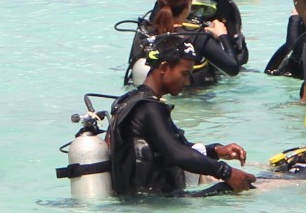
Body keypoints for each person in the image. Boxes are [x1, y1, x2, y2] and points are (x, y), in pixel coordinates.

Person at [106, 35, 256, 196]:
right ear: (163, 68)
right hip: (154, 206)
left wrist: (215, 151)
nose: (187, 82)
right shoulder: (148, 108)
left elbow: (170, 146)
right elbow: (177, 153)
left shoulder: (134, 100)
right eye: (184, 74)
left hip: (149, 202)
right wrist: (226, 172)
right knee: (252, 190)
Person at [129, 0, 244, 86]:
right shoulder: (196, 36)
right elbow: (233, 69)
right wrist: (222, 35)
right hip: (190, 99)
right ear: (188, 4)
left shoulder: (145, 31)